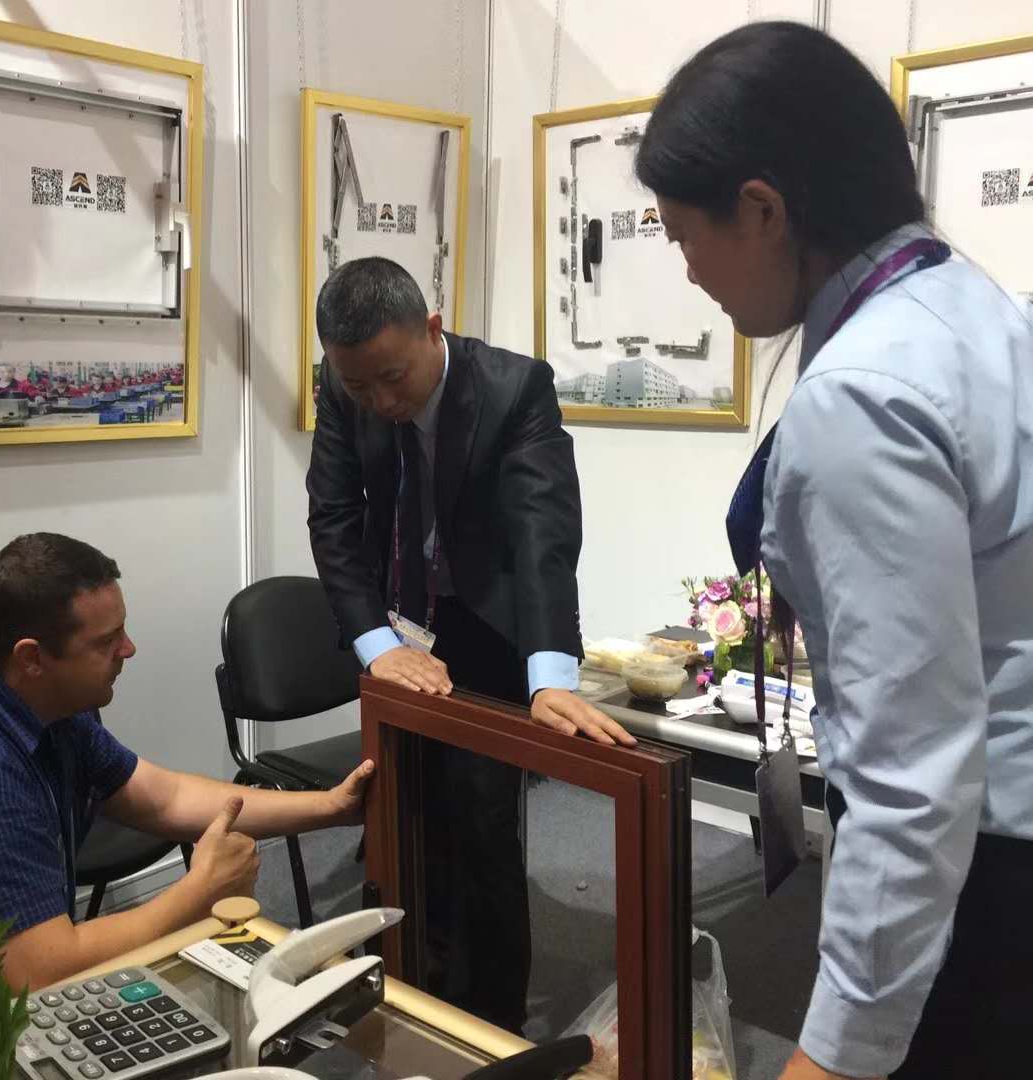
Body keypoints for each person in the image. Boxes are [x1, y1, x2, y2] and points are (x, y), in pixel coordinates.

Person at [636, 22, 1033, 1080]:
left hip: (977, 871)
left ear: (762, 211)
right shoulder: (973, 307)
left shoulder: (864, 391)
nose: (688, 271)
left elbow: (912, 774)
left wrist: (835, 1054)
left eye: (683, 236)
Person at [306, 256, 632, 1034]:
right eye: (360, 386)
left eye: (393, 379)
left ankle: (491, 1028)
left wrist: (550, 675)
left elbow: (541, 535)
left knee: (483, 828)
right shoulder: (345, 386)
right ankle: (403, 1001)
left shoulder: (515, 388)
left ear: (432, 329)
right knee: (399, 819)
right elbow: (334, 520)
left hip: (484, 627)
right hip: (396, 630)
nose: (382, 402)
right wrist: (375, 644)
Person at [0, 533, 375, 992]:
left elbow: (165, 797)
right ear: (31, 658)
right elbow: (39, 972)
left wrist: (332, 806)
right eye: (107, 641)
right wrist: (199, 892)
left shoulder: (52, 708)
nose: (128, 649)